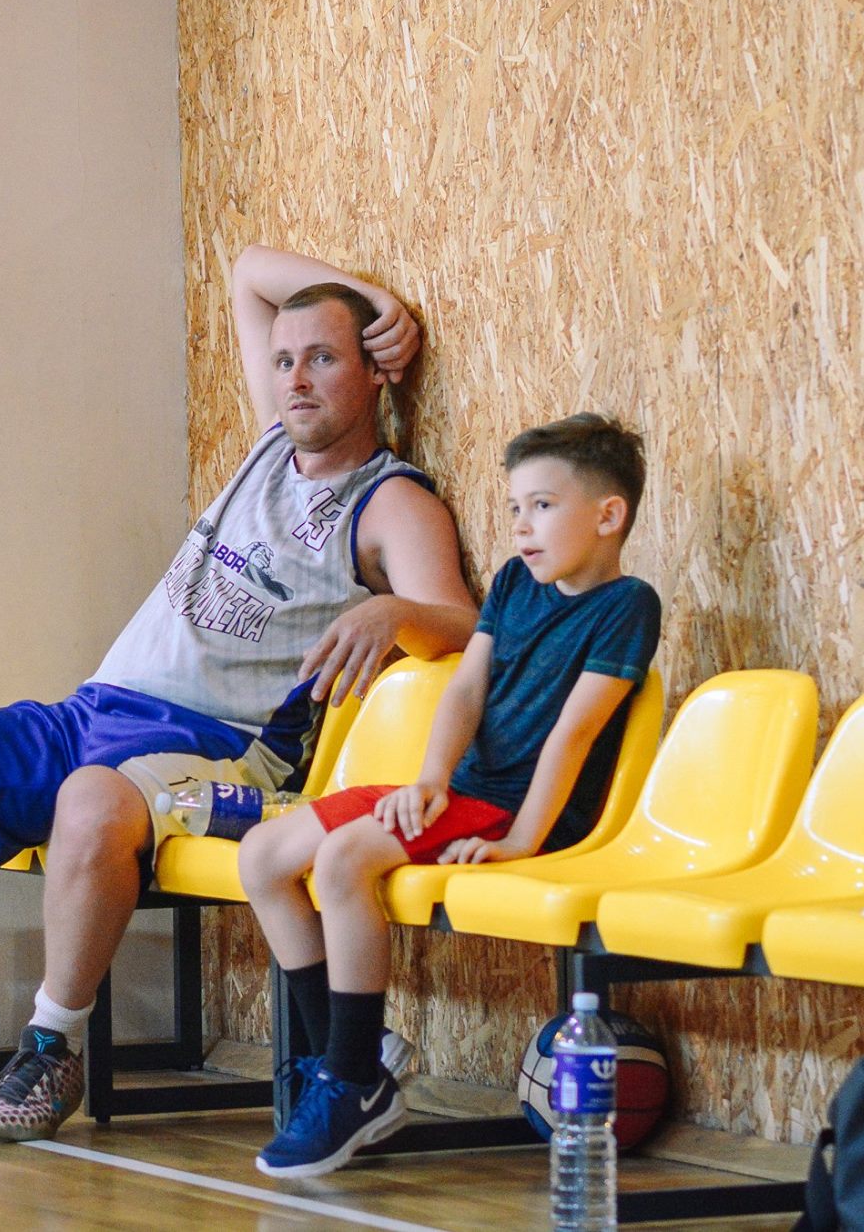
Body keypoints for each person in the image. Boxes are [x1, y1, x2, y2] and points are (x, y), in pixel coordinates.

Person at [0, 245, 476, 1142]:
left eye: (324, 357)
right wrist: (376, 301)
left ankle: (51, 1044)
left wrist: (396, 610)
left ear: (375, 373)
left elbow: (465, 625)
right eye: (284, 359)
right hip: (94, 711)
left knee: (89, 800)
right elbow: (247, 272)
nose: (297, 378)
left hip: (218, 747)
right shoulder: (273, 443)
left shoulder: (389, 504)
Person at [238, 413, 662, 1181]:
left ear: (609, 515)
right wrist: (430, 778)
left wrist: (521, 838)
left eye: (543, 505)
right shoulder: (512, 583)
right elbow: (465, 689)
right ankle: (344, 1055)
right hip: (461, 791)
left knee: (344, 859)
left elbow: (573, 734)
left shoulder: (628, 605)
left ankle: (351, 1077)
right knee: (264, 855)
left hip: (517, 810)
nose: (522, 525)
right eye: (515, 507)